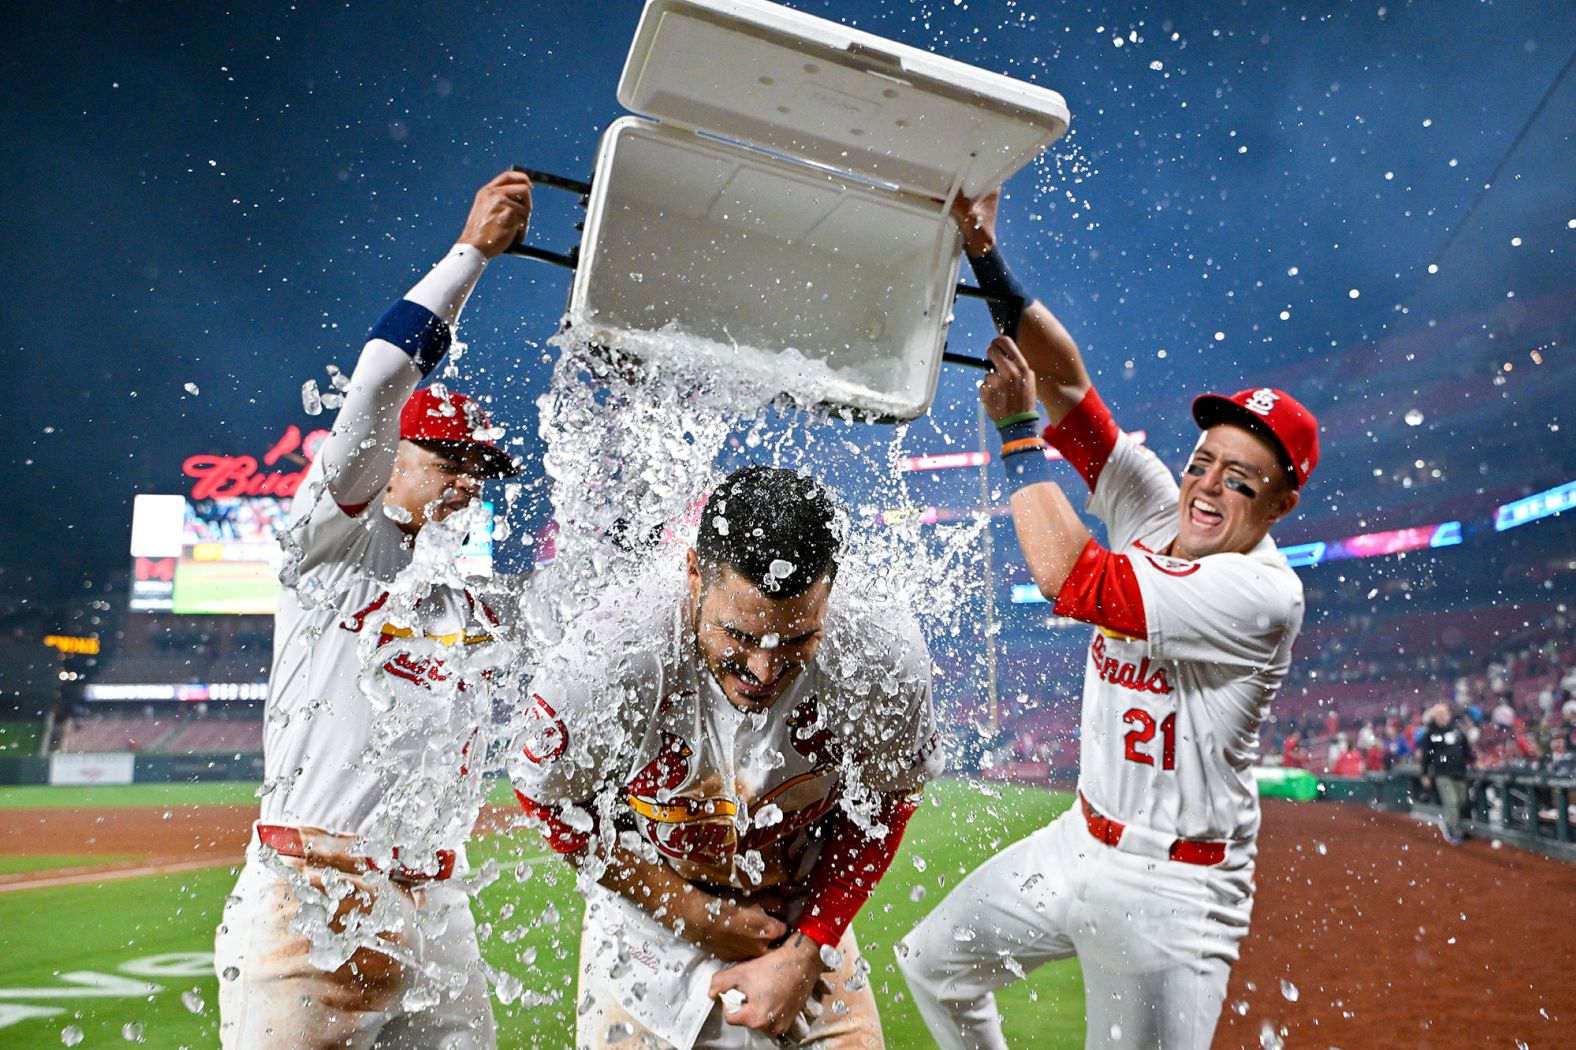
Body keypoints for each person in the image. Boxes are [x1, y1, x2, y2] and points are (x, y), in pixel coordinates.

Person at [898, 188, 1319, 1050]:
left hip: (1174, 890)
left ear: (1281, 500)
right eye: (1205, 462)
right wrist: (986, 258)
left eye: (1241, 479)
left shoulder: (1263, 593)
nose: (1207, 486)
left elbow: (1072, 579)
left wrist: (1016, 438)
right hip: (1077, 839)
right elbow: (1071, 386)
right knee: (932, 964)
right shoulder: (1163, 506)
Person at [214, 170, 533, 1049]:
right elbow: (384, 373)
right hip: (307, 901)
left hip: (433, 910)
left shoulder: (459, 595)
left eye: (483, 467)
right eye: (451, 458)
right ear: (389, 451)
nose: (471, 481)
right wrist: (471, 255)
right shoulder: (330, 542)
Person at [508, 465, 941, 1050]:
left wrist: (814, 941)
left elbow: (892, 800)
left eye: (794, 641)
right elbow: (547, 801)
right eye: (737, 635)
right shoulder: (608, 658)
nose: (763, 671)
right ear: (693, 576)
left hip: (801, 917)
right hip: (646, 926)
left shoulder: (881, 650)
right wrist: (690, 911)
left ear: (830, 595)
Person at [1419, 702, 1473, 844]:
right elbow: (1426, 755)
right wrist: (1424, 773)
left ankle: (1454, 825)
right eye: (1439, 714)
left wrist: (1474, 760)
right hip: (1442, 773)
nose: (1442, 716)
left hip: (1459, 771)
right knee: (1452, 801)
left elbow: (1466, 748)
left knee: (1461, 800)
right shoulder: (1430, 733)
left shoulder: (1457, 730)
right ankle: (1452, 829)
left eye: (1444, 713)